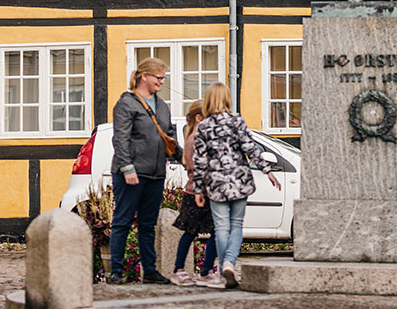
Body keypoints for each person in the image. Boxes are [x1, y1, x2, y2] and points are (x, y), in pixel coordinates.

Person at [192, 83, 280, 289]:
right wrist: (267, 170)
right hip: (239, 180)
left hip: (216, 183)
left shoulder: (204, 126)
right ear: (226, 99)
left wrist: (198, 188)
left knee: (221, 227)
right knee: (237, 225)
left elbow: (199, 160)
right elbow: (250, 147)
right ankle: (229, 263)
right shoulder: (237, 121)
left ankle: (225, 268)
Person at [109, 57, 177, 284]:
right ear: (144, 76)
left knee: (148, 225)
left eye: (164, 78)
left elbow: (169, 135)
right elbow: (120, 139)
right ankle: (116, 271)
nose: (162, 82)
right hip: (131, 173)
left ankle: (149, 270)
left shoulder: (163, 106)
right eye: (159, 77)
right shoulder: (126, 104)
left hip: (156, 173)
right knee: (123, 221)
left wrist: (183, 158)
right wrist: (127, 168)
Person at [170, 101, 219, 286]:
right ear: (200, 118)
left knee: (214, 230)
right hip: (196, 192)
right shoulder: (196, 138)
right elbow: (197, 167)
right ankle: (179, 270)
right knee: (191, 232)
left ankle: (205, 270)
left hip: (206, 191)